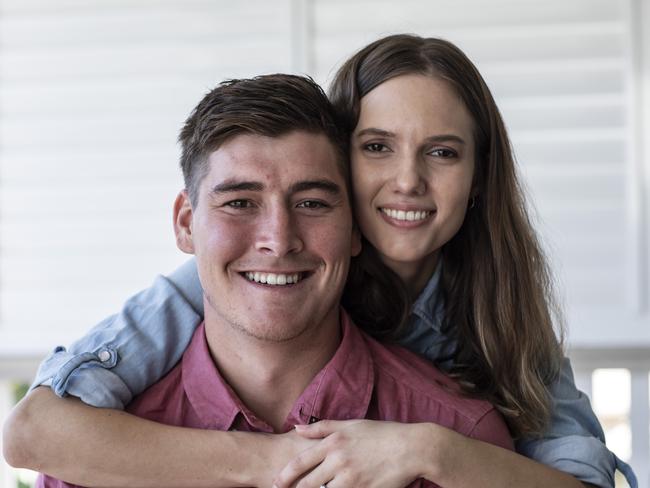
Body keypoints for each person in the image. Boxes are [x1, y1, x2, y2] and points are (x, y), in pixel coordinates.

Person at [3, 34, 637, 488]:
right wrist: (279, 461)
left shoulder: (498, 323)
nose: (408, 180)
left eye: (442, 153)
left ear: (478, 179)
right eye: (377, 146)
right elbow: (36, 430)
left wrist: (433, 450)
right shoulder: (209, 288)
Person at [31, 73, 512, 488]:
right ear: (185, 224)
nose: (278, 241)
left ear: (355, 230)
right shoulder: (83, 463)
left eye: (312, 204)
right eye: (240, 202)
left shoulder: (464, 445)